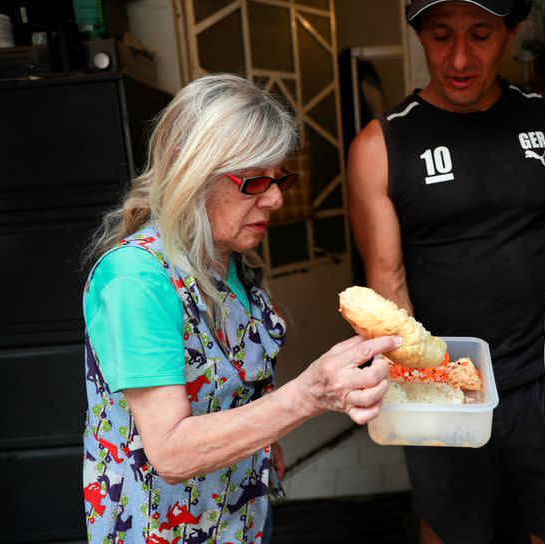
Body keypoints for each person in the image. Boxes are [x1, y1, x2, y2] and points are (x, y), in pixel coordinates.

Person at [346, 1, 545, 543]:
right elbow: (390, 294)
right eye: (439, 36)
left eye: (480, 35)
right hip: (446, 388)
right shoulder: (380, 147)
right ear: (418, 35)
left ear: (512, 32)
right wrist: (425, 397)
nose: (459, 57)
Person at [82, 73, 399, 544]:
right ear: (191, 172)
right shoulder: (137, 280)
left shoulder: (230, 259)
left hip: (242, 516)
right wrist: (308, 395)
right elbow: (168, 452)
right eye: (254, 181)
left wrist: (263, 443)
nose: (276, 198)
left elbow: (235, 382)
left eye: (279, 178)